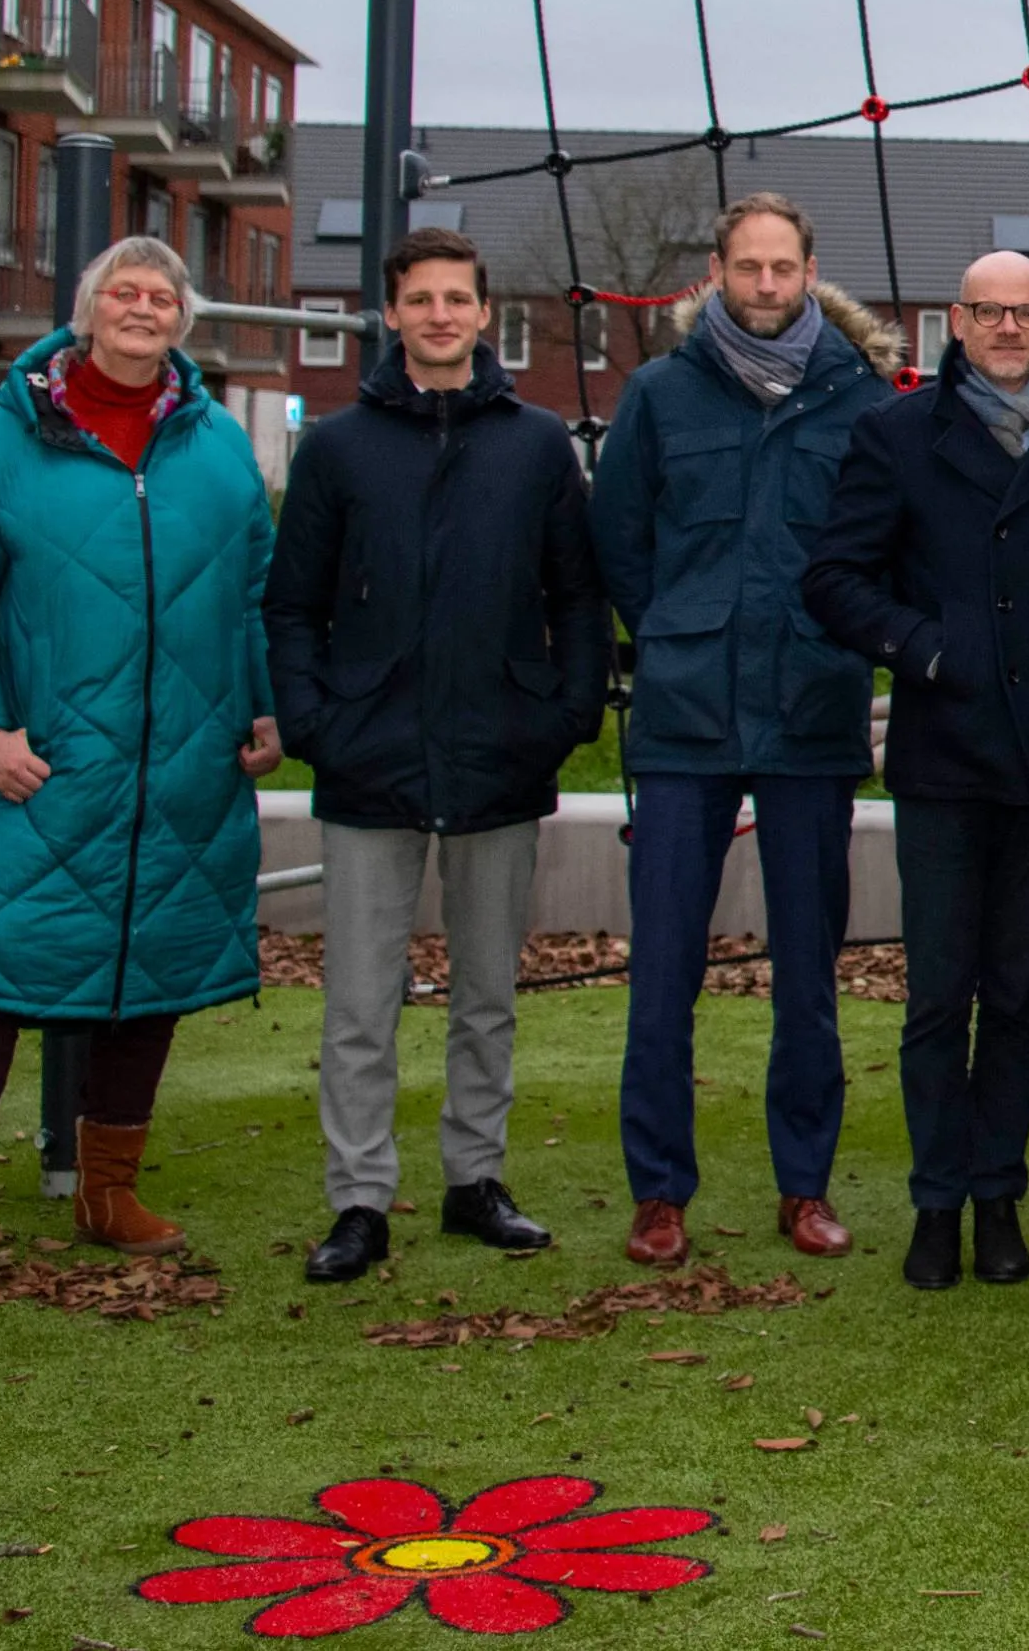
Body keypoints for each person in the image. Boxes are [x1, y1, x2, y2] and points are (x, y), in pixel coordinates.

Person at [0, 238, 280, 1276]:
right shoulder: (3, 443)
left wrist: (263, 711)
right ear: (85, 313)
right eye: (123, 291)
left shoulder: (215, 449)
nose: (142, 307)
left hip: (183, 763)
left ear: (183, 321)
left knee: (150, 966)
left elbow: (257, 593)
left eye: (161, 295)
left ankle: (109, 1194)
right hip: (43, 761)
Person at [267, 225, 609, 1283]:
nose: (441, 316)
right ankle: (359, 1199)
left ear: (480, 309)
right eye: (421, 300)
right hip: (369, 761)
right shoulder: (337, 448)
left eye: (458, 298)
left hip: (500, 755)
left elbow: (576, 596)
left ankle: (475, 1179)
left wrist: (562, 716)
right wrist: (319, 725)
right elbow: (290, 607)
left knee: (487, 992)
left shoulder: (536, 444)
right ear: (392, 313)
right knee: (361, 1000)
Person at [803, 250, 1029, 1291]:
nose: (1010, 330)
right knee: (937, 996)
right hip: (944, 750)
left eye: (1028, 313)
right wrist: (926, 648)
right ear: (956, 322)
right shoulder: (894, 434)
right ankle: (936, 1205)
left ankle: (1001, 1196)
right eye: (990, 312)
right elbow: (834, 578)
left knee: (1017, 996)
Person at [591, 190, 891, 1267]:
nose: (765, 285)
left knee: (809, 972)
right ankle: (659, 1191)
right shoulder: (662, 396)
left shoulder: (862, 402)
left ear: (811, 272)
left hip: (811, 715)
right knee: (663, 967)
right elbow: (619, 541)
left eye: (783, 267)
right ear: (715, 272)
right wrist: (677, 629)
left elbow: (881, 551)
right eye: (747, 266)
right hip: (685, 718)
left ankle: (803, 1187)